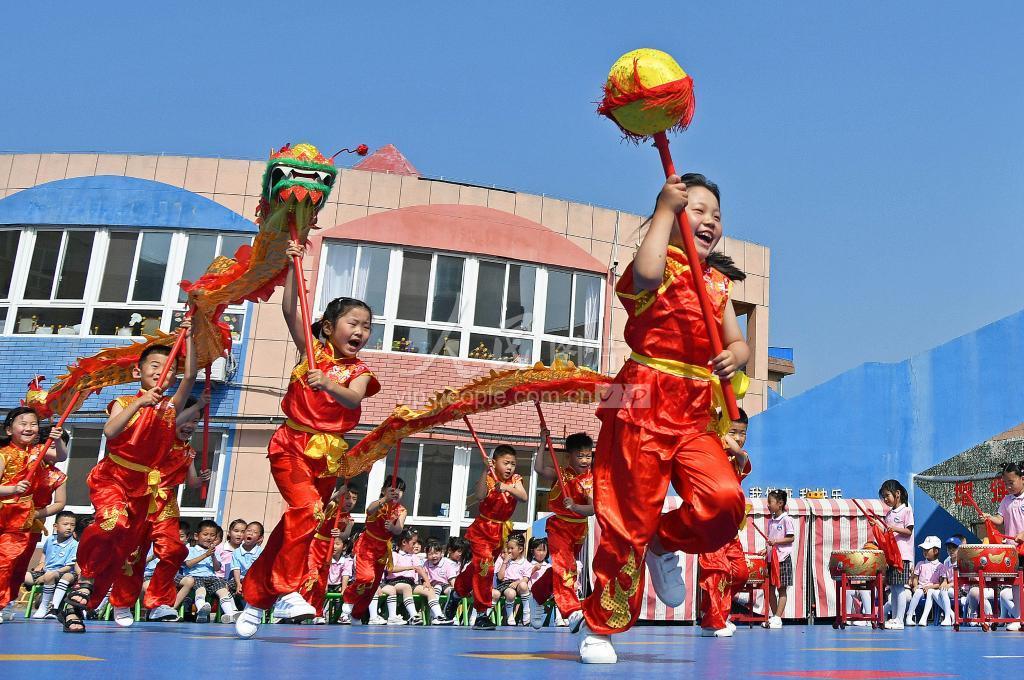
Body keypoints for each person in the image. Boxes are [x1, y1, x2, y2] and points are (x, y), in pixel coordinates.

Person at [572, 174, 749, 663]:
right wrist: (664, 208)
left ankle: (663, 539)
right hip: (642, 397)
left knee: (725, 501)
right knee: (626, 519)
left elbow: (738, 342)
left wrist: (736, 355)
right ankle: (601, 626)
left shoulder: (717, 284)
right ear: (669, 215)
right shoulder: (659, 264)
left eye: (717, 214)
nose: (710, 220)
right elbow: (646, 274)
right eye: (697, 210)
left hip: (694, 410)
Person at [235, 272, 381, 638]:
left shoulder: (360, 371)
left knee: (298, 525)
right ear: (329, 328)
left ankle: (256, 601)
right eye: (353, 323)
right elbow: (290, 310)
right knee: (308, 510)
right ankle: (286, 591)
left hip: (327, 456)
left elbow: (354, 398)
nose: (360, 331)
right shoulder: (311, 352)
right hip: (292, 445)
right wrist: (291, 267)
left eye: (366, 326)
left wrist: (329, 384)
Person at [59, 323, 198, 633]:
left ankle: (77, 605)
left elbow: (190, 376)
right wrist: (139, 402)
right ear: (138, 372)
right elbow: (110, 432)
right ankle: (85, 576)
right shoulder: (124, 402)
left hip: (143, 488)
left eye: (168, 368)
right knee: (113, 521)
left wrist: (188, 339)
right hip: (114, 477)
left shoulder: (170, 408)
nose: (161, 372)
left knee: (124, 551)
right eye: (154, 366)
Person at [108, 396, 211, 624]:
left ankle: (158, 602)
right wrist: (198, 403)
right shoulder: (157, 440)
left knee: (174, 550)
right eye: (187, 418)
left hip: (166, 503)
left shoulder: (188, 451)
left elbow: (191, 482)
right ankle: (122, 603)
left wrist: (202, 479)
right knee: (134, 554)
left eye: (196, 421)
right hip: (141, 498)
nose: (190, 425)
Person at [445, 445, 528, 630]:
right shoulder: (489, 477)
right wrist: (485, 470)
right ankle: (482, 613)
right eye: (506, 463)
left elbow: (523, 497)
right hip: (482, 530)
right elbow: (480, 495)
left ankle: (457, 594)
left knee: (477, 568)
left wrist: (506, 487)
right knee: (486, 568)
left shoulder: (515, 480)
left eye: (513, 464)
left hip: (500, 532)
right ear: (495, 462)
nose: (509, 467)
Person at [0, 406, 69, 623]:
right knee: (5, 562)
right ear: (9, 430)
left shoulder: (39, 452)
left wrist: (57, 440)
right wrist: (12, 489)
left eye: (33, 424)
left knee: (17, 565)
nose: (29, 428)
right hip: (5, 515)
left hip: (26, 522)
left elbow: (61, 456)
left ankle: (6, 602)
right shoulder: (3, 454)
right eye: (23, 423)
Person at [698, 410, 753, 637]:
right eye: (733, 432)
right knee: (716, 571)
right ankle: (713, 622)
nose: (738, 437)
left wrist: (728, 440)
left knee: (740, 573)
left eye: (743, 433)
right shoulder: (710, 452)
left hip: (730, 529)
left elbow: (741, 456)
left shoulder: (739, 457)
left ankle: (715, 612)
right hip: (710, 526)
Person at [532, 431, 594, 628]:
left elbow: (593, 509)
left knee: (562, 569)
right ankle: (572, 611)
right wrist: (542, 443)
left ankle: (537, 594)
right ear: (569, 456)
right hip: (559, 526)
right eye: (580, 456)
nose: (585, 460)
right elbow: (539, 468)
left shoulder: (592, 480)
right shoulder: (561, 474)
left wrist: (575, 507)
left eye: (588, 456)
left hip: (579, 530)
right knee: (566, 567)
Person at [339, 477, 407, 625]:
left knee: (372, 587)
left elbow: (399, 529)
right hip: (367, 545)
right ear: (383, 490)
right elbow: (369, 510)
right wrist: (385, 499)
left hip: (382, 551)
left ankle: (356, 615)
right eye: (393, 489)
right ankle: (349, 597)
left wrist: (393, 527)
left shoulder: (401, 510)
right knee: (366, 577)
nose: (397, 492)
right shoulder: (378, 504)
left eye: (401, 490)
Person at [295, 483, 357, 622]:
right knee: (311, 577)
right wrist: (337, 494)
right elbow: (320, 505)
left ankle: (317, 613)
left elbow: (345, 535)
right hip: (316, 545)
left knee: (322, 583)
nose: (350, 501)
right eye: (347, 497)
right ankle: (301, 610)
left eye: (354, 499)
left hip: (328, 550)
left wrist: (339, 533)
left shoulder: (349, 518)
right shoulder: (332, 506)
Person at [981, 461, 1024, 631]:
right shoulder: (1006, 500)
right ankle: (1019, 617)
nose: (1008, 487)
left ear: (1022, 479)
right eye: (1005, 483)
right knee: (1015, 584)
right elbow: (1000, 520)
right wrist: (989, 517)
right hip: (1013, 551)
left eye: (1011, 482)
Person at [875, 479, 914, 630]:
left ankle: (900, 619)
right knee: (893, 588)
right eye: (883, 496)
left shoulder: (906, 510)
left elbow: (909, 531)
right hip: (891, 556)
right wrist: (876, 526)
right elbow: (887, 532)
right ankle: (894, 618)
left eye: (887, 495)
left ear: (897, 493)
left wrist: (895, 529)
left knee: (899, 587)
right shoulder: (889, 514)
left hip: (902, 556)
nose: (885, 499)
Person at [182, 519, 238, 623]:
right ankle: (201, 608)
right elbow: (188, 564)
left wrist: (212, 556)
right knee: (201, 589)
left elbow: (217, 568)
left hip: (212, 578)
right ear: (196, 536)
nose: (208, 538)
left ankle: (230, 614)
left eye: (212, 535)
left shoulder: (214, 551)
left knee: (223, 590)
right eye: (205, 534)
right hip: (195, 577)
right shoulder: (190, 549)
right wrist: (205, 555)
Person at [26, 510, 78, 618]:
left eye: (72, 525)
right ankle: (6, 607)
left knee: (50, 575)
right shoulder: (50, 540)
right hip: (46, 572)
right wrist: (41, 563)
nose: (69, 527)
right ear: (55, 526)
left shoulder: (74, 544)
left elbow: (69, 567)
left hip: (64, 573)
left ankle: (48, 607)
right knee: (22, 576)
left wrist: (48, 575)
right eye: (65, 524)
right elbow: (44, 552)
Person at [764, 489, 795, 629]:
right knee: (769, 589)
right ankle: (775, 617)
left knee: (782, 589)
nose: (768, 505)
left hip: (783, 558)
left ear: (780, 503)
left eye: (770, 502)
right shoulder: (771, 521)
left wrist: (775, 542)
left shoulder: (786, 519)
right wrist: (766, 549)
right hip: (771, 559)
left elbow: (791, 537)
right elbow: (771, 540)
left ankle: (777, 617)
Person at [494, 534, 532, 626]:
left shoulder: (526, 564)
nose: (509, 551)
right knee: (511, 593)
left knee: (523, 585)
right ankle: (510, 616)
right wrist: (505, 562)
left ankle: (526, 612)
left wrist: (517, 582)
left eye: (512, 548)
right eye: (508, 548)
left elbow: (526, 579)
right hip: (506, 585)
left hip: (518, 585)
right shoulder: (506, 561)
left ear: (520, 549)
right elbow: (500, 577)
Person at [906, 535, 944, 626]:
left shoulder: (941, 566)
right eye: (924, 549)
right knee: (918, 592)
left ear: (936, 551)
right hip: (921, 588)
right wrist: (915, 586)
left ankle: (924, 619)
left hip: (933, 591)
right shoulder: (920, 564)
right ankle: (909, 616)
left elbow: (941, 583)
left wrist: (930, 587)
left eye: (927, 549)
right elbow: (915, 578)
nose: (924, 551)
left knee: (929, 592)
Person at [231, 522, 265, 600]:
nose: (250, 533)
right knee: (225, 586)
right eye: (248, 530)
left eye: (255, 532)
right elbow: (236, 569)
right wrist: (238, 583)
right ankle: (230, 607)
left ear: (259, 538)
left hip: (255, 580)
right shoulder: (236, 552)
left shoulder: (261, 552)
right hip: (240, 579)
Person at [527, 537, 553, 628]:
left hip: (548, 594)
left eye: (544, 550)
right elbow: (524, 578)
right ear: (532, 551)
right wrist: (533, 569)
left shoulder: (549, 566)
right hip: (532, 592)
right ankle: (529, 617)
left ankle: (561, 618)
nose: (542, 553)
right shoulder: (528, 564)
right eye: (539, 550)